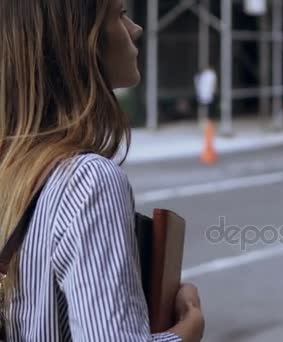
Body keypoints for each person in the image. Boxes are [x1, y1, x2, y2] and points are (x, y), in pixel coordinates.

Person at [0, 1, 204, 341]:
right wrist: (188, 330)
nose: (135, 29)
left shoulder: (10, 166)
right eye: (121, 15)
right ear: (83, 42)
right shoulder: (87, 181)